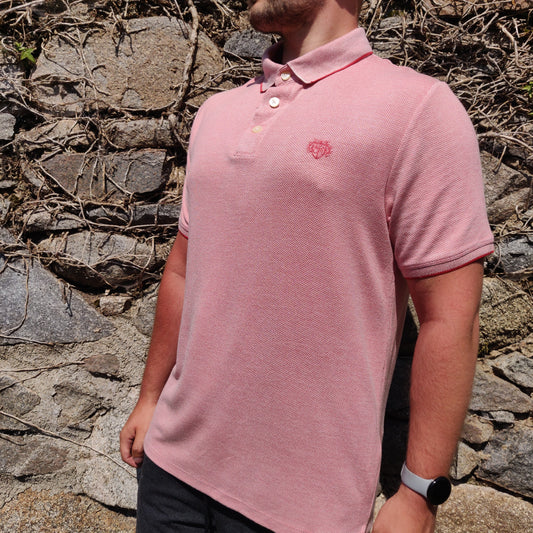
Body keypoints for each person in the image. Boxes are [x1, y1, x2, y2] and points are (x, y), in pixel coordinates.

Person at [120, 0, 494, 531]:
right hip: (171, 472)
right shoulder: (216, 112)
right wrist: (150, 398)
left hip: (303, 507)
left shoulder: (418, 110)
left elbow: (451, 317)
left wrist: (418, 492)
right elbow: (183, 270)